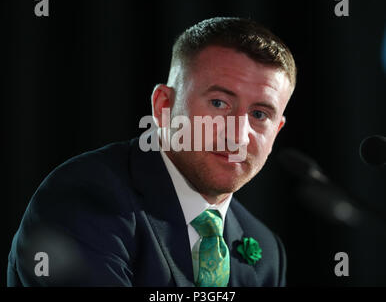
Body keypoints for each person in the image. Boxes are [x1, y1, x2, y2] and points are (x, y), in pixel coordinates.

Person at [7, 17, 296, 287]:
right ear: (163, 107)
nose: (237, 134)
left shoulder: (266, 249)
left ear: (276, 133)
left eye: (259, 114)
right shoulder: (84, 198)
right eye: (219, 103)